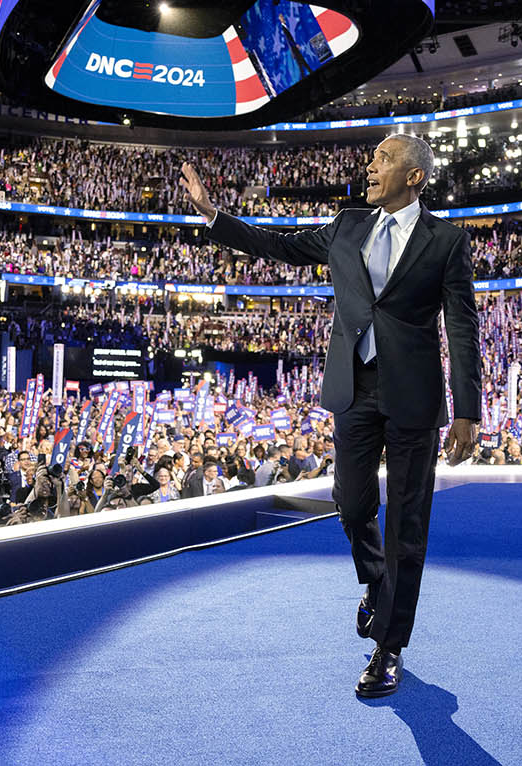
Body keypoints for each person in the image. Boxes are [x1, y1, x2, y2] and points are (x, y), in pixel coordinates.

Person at [180, 132, 482, 698]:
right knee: (353, 502)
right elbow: (280, 245)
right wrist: (215, 217)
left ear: (414, 176)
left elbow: (462, 329)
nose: (370, 167)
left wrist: (468, 409)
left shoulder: (446, 242)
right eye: (372, 159)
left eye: (382, 159)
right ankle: (376, 581)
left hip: (414, 398)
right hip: (354, 390)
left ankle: (388, 647)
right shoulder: (346, 226)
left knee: (408, 525)